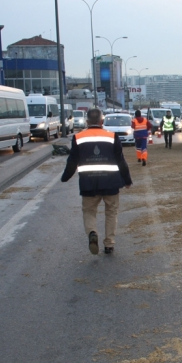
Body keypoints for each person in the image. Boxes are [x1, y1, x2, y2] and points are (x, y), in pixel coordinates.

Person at [61, 109, 132, 255]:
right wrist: (127, 180)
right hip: (111, 183)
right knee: (111, 212)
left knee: (89, 211)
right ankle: (109, 244)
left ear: (87, 122)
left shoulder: (78, 137)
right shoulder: (112, 136)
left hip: (88, 184)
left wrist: (65, 177)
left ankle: (92, 232)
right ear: (102, 121)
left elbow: (72, 161)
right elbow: (121, 161)